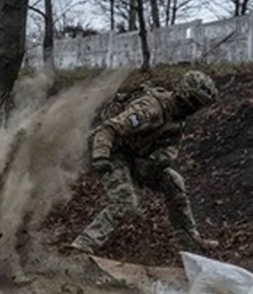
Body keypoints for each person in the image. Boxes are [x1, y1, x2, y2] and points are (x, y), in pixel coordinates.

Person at [69, 70, 218, 257]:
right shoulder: (151, 109)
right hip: (112, 151)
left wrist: (160, 160)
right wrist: (101, 157)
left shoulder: (177, 119)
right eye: (196, 102)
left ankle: (189, 241)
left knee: (174, 182)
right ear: (185, 93)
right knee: (125, 202)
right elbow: (108, 129)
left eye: (201, 105)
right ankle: (82, 247)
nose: (196, 109)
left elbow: (170, 146)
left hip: (136, 157)